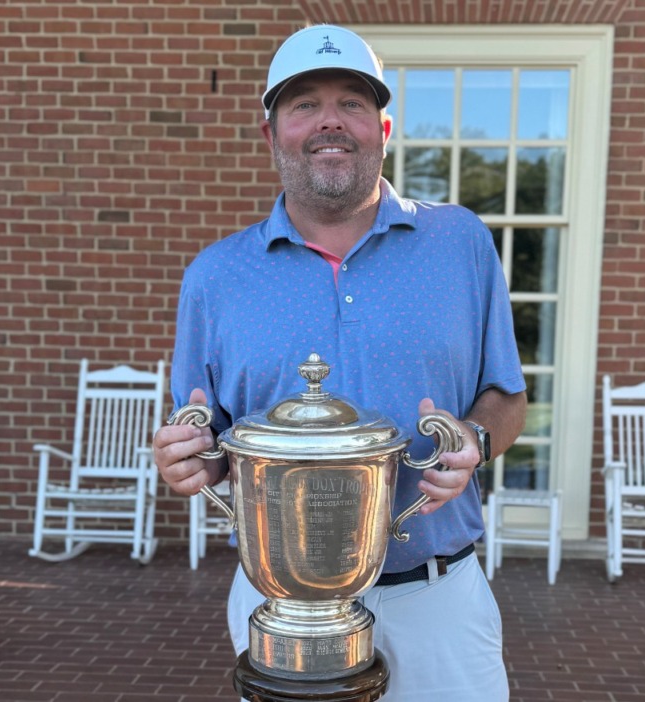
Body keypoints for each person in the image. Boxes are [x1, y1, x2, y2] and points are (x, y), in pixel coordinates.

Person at [153, 23, 528, 702]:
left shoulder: (460, 243)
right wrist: (187, 459)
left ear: (383, 127)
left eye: (352, 102)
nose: (331, 121)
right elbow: (208, 442)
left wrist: (472, 439)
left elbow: (507, 397)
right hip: (283, 609)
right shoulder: (215, 277)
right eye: (303, 105)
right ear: (271, 134)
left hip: (438, 604)